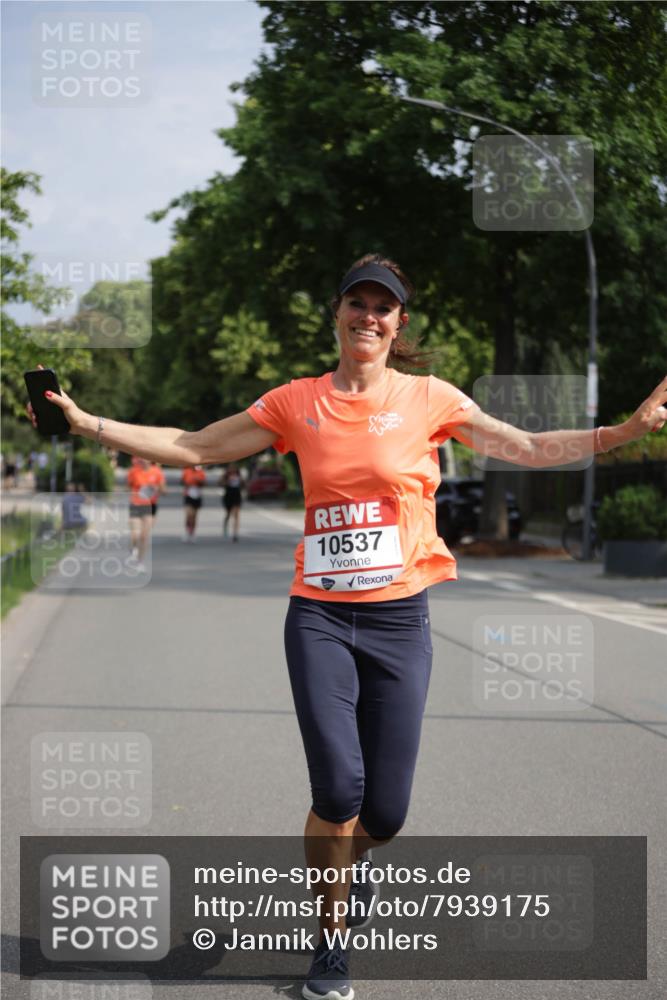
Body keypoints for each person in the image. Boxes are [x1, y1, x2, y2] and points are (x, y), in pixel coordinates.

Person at [28, 254, 667, 1000]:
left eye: (383, 307)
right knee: (338, 791)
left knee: (385, 813)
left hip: (400, 620)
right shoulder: (297, 402)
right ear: (336, 314)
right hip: (321, 618)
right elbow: (196, 445)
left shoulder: (429, 398)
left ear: (399, 325)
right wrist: (88, 422)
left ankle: (350, 865)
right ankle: (329, 943)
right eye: (357, 303)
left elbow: (521, 447)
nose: (369, 316)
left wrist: (622, 431)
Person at [126, 456, 154, 571]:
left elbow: (162, 489)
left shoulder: (156, 472)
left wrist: (155, 489)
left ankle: (140, 561)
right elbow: (129, 486)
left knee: (144, 536)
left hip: (148, 506)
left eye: (146, 457)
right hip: (135, 504)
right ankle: (133, 548)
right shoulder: (134, 471)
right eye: (141, 458)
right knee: (135, 534)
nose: (143, 460)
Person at [181, 464, 206, 542]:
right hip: (188, 495)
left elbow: (204, 483)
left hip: (197, 495)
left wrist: (198, 481)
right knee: (189, 514)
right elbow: (182, 482)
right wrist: (188, 482)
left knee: (194, 516)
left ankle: (192, 533)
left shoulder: (201, 472)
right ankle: (187, 532)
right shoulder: (186, 471)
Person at [221, 464, 243, 541]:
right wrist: (228, 481)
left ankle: (235, 534)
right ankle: (225, 525)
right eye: (231, 468)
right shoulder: (226, 475)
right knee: (228, 514)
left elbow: (243, 484)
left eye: (234, 468)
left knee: (236, 515)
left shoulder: (238, 475)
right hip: (228, 496)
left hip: (237, 496)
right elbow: (221, 483)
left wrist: (241, 481)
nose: (233, 469)